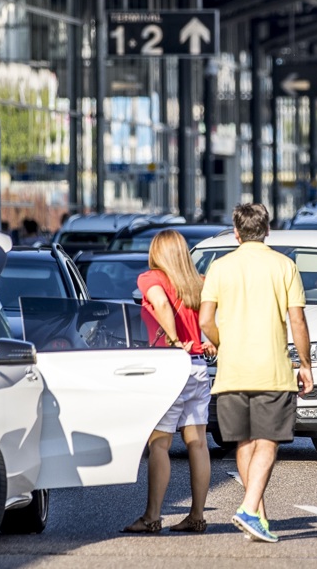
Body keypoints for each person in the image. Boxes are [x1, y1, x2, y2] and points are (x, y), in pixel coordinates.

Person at [199, 203, 312, 544]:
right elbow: (297, 320)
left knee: (244, 442)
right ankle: (250, 508)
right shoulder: (284, 266)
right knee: (269, 440)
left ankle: (258, 516)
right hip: (271, 369)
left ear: (236, 232)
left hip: (231, 371)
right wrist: (305, 364)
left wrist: (223, 342)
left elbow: (205, 320)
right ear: (267, 230)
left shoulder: (220, 267)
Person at [122, 229, 211, 535]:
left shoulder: (151, 279)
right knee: (198, 443)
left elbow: (160, 304)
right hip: (199, 367)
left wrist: (173, 341)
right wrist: (207, 341)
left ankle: (152, 517)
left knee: (159, 444)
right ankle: (197, 516)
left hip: (171, 368)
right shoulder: (197, 282)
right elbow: (211, 319)